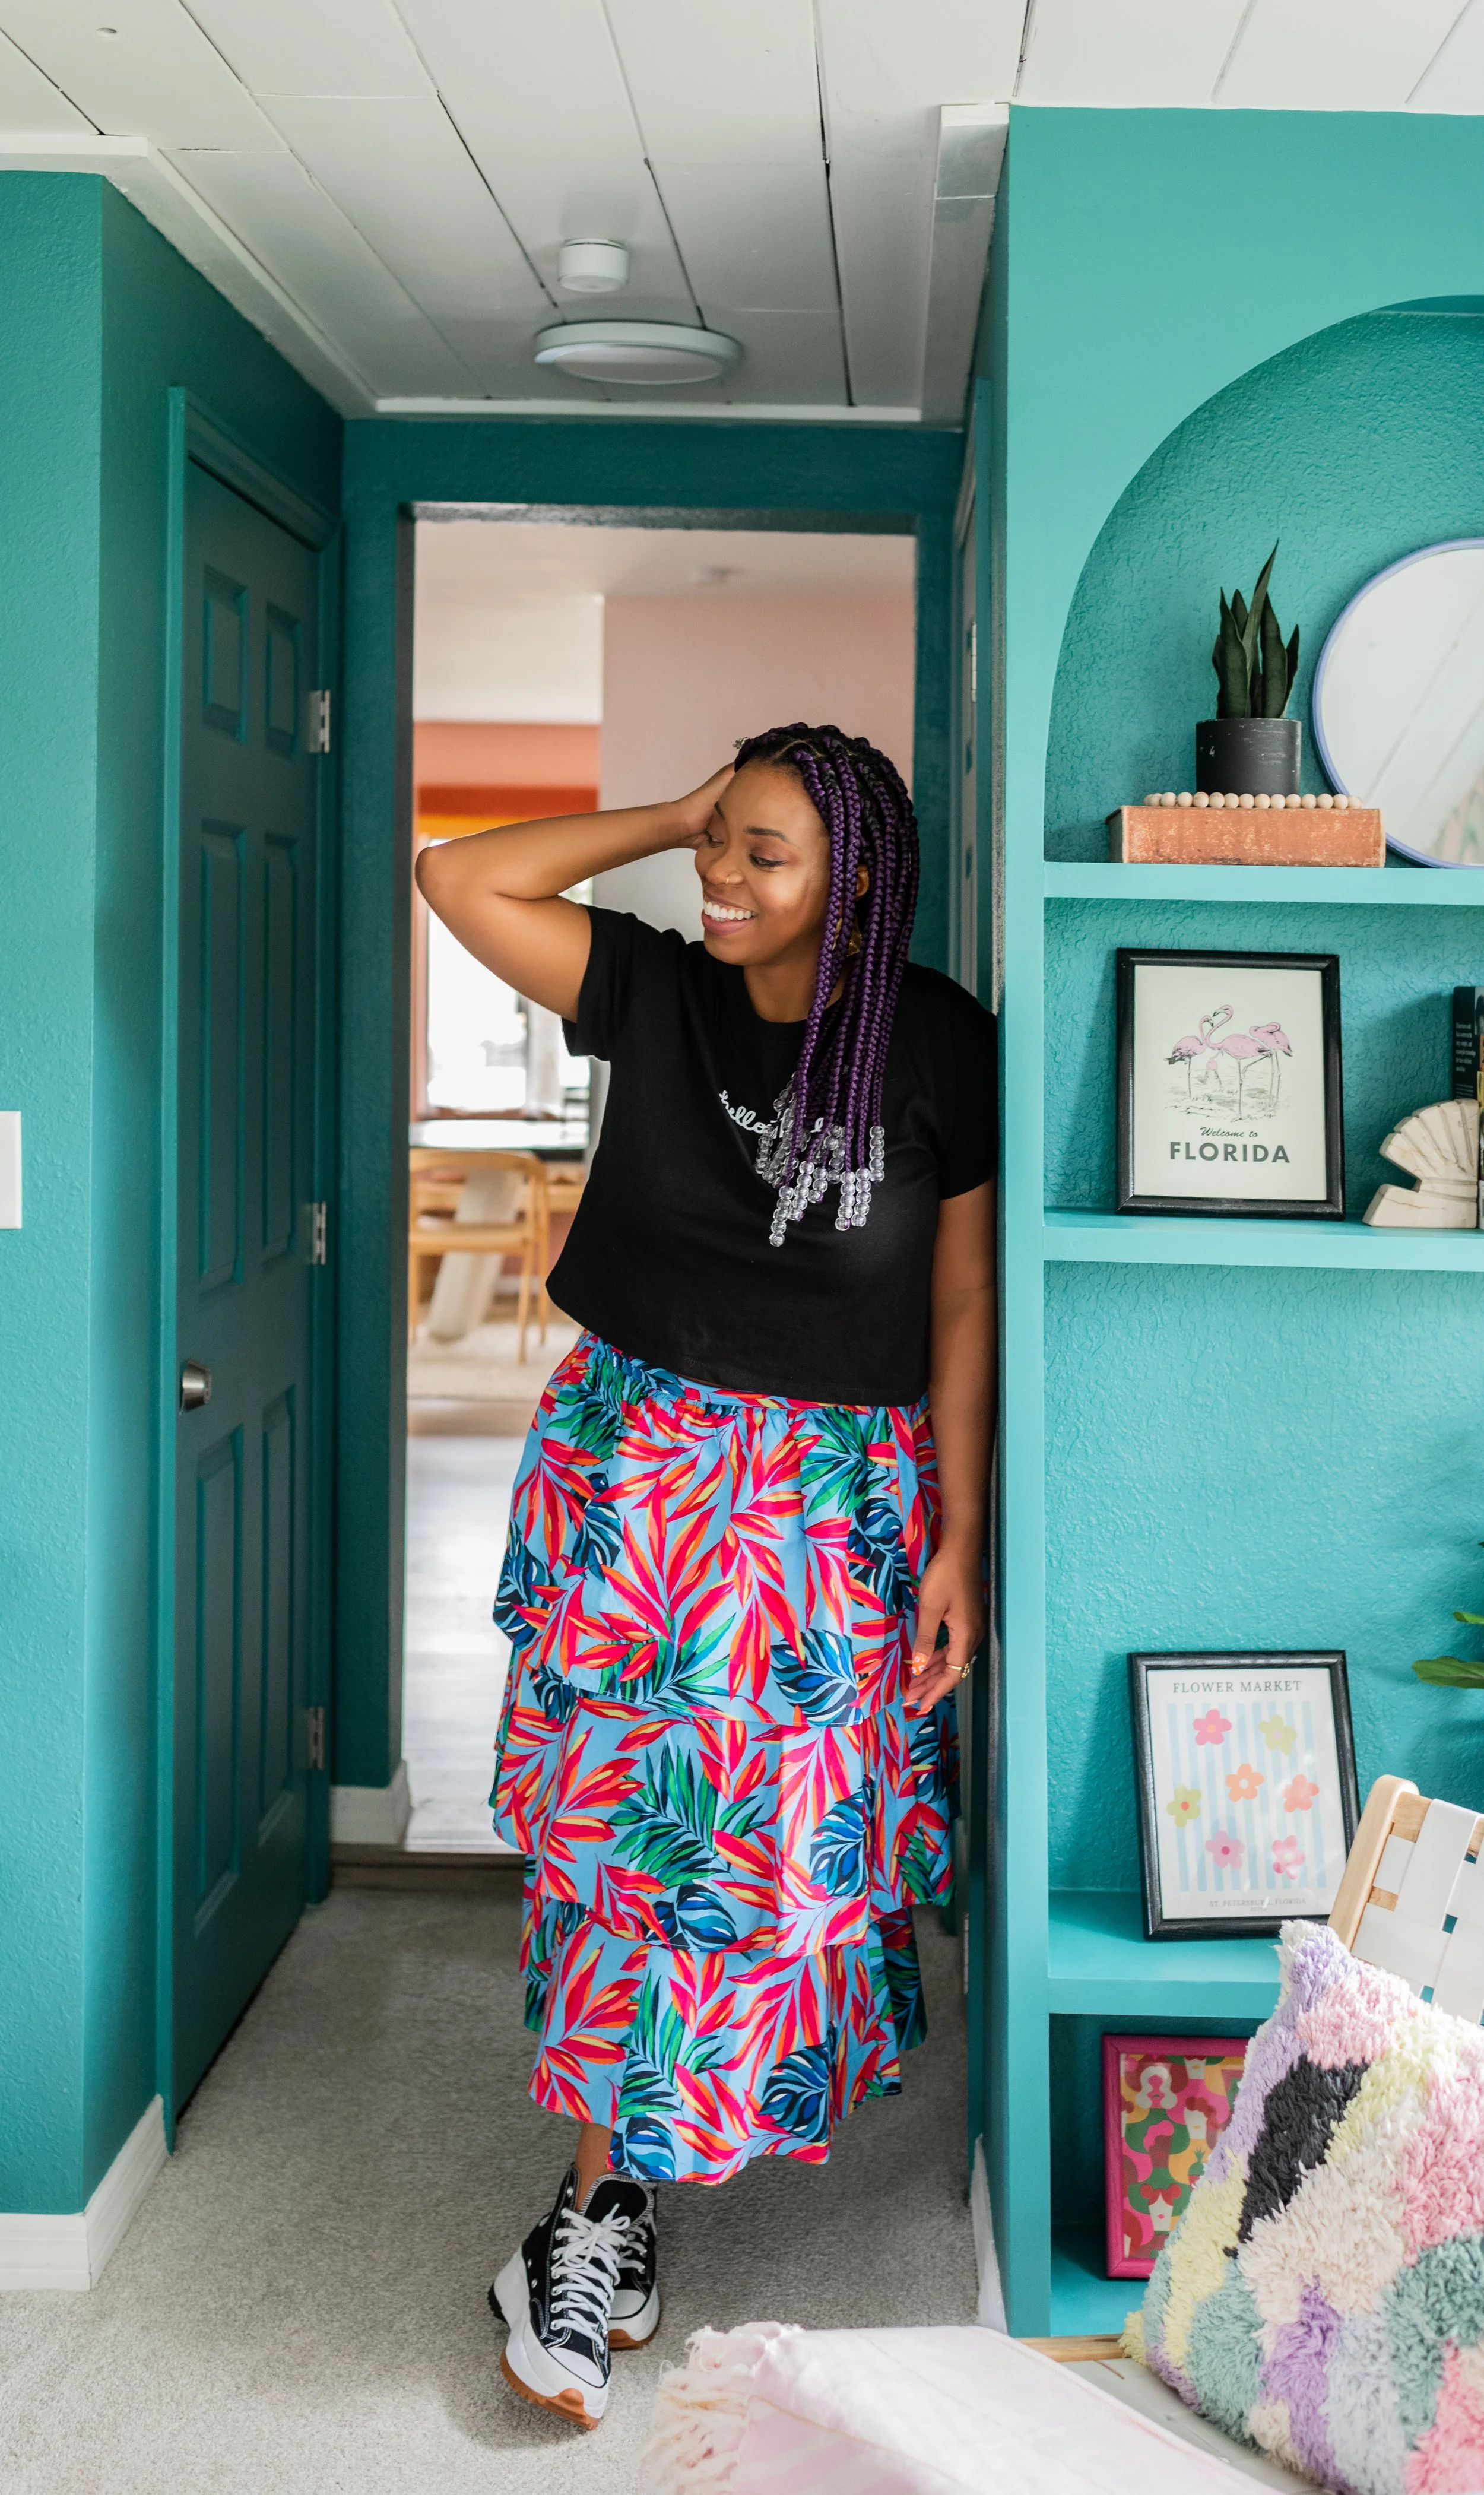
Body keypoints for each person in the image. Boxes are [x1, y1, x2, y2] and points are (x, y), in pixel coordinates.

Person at [416, 724, 997, 2430]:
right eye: (714, 845)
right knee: (623, 1845)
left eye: (765, 854)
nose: (720, 880)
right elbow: (464, 876)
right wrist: (679, 808)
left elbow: (960, 1303)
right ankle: (586, 2218)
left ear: (860, 879)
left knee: (765, 1873)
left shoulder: (939, 1037)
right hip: (641, 1464)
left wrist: (961, 1527)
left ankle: (638, 2185)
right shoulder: (655, 991)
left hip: (835, 1492)